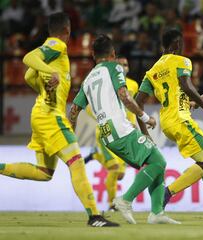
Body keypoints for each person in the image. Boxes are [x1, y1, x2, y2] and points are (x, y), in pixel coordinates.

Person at [0, 13, 118, 227]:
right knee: (77, 162)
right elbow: (27, 58)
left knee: (44, 173)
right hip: (50, 114)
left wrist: (45, 86)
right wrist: (50, 72)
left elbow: (28, 76)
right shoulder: (57, 46)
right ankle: (95, 216)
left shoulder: (50, 50)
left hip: (40, 113)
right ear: (68, 30)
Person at [69, 34, 180, 225]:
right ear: (113, 53)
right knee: (159, 162)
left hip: (105, 133)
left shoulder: (87, 81)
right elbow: (125, 96)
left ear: (93, 55)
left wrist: (70, 137)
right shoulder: (114, 67)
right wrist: (145, 117)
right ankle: (125, 200)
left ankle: (156, 213)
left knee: (154, 162)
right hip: (119, 127)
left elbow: (73, 111)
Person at [135, 29, 203, 220]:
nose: (182, 47)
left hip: (167, 122)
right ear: (176, 44)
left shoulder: (152, 71)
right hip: (181, 120)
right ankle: (167, 193)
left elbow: (138, 102)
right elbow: (186, 86)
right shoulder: (182, 61)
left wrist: (145, 134)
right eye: (180, 43)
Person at [83, 56, 139, 211]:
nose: (123, 67)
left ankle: (96, 156)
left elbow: (131, 105)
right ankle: (112, 205)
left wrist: (133, 122)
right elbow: (89, 107)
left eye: (126, 64)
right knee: (114, 168)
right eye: (120, 64)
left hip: (124, 131)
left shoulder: (133, 85)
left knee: (120, 174)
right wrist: (102, 118)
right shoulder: (108, 83)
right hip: (106, 132)